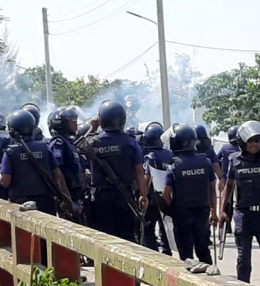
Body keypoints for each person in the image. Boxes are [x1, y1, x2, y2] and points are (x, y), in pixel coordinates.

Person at [0, 110, 74, 263]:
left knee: (25, 241)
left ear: (12, 130)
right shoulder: (44, 147)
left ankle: (32, 273)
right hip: (46, 201)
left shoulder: (10, 151)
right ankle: (51, 269)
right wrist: (68, 200)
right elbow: (58, 176)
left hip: (21, 204)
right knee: (48, 238)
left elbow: (5, 181)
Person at [219, 121, 260, 286]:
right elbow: (229, 186)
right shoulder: (234, 161)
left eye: (257, 141)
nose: (254, 145)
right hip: (243, 215)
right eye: (250, 141)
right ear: (242, 142)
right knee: (243, 257)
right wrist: (221, 211)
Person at [86, 100, 148, 243]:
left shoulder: (93, 142)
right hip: (124, 195)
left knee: (105, 238)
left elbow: (77, 147)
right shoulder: (130, 142)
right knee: (127, 236)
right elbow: (139, 171)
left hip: (101, 197)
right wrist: (143, 196)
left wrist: (93, 128)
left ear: (101, 120)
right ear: (123, 119)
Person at [162, 124, 217, 264]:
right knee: (204, 250)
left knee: (186, 255)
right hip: (202, 212)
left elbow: (166, 195)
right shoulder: (206, 162)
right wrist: (214, 211)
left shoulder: (173, 166)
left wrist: (168, 211)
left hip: (181, 214)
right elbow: (212, 188)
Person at [141, 122, 174, 255]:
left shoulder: (151, 157)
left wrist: (142, 195)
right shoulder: (170, 153)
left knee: (148, 228)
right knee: (164, 226)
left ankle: (153, 254)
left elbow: (148, 178)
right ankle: (167, 252)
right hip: (167, 196)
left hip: (152, 199)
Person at [49, 106, 85, 222]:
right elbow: (58, 174)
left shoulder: (69, 143)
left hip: (76, 196)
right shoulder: (58, 143)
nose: (75, 124)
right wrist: (69, 202)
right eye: (72, 121)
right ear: (61, 123)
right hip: (67, 199)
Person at [218, 125, 240, 234]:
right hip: (240, 177)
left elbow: (216, 159)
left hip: (227, 177)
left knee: (227, 202)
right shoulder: (242, 147)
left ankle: (227, 225)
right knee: (240, 201)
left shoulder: (225, 148)